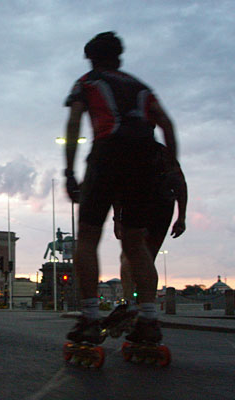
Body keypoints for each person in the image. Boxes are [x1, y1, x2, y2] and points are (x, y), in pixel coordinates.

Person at [64, 32, 179, 344]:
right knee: (135, 243)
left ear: (92, 57)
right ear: (119, 57)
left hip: (108, 153)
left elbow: (74, 124)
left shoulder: (88, 82)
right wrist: (171, 166)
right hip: (143, 160)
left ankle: (89, 318)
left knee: (88, 236)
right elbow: (167, 125)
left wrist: (69, 171)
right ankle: (149, 321)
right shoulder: (141, 87)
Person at [102, 143, 187, 338]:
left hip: (138, 204)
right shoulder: (163, 152)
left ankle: (130, 305)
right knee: (148, 259)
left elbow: (117, 188)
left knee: (128, 255)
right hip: (164, 206)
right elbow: (180, 182)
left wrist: (117, 219)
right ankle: (148, 313)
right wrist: (181, 216)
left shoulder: (125, 149)